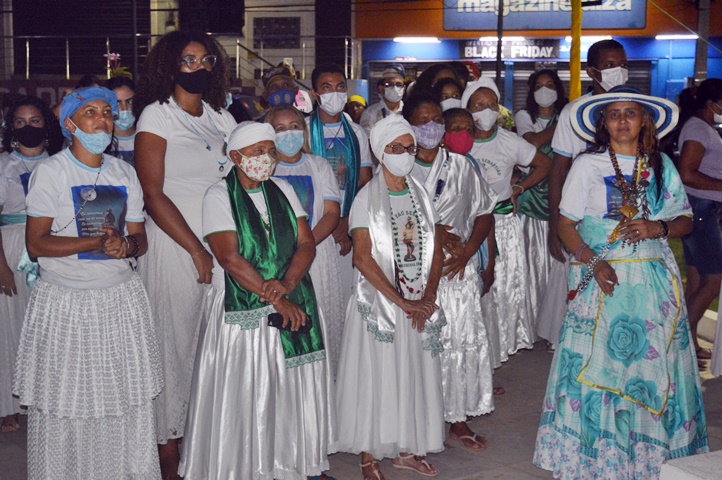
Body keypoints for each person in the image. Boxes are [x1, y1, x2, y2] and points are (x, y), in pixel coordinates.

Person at [534, 86, 708, 478]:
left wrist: (656, 226)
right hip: (603, 279)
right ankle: (597, 460)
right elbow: (566, 223)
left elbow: (684, 220)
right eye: (614, 114)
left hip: (653, 286)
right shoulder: (587, 165)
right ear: (604, 123)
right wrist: (591, 263)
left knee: (654, 366)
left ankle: (651, 459)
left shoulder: (662, 166)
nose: (623, 120)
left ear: (645, 120)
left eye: (631, 113)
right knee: (597, 365)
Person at [14, 86, 162, 478]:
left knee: (120, 396)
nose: (102, 120)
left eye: (108, 114)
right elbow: (37, 243)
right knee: (69, 399)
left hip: (118, 300)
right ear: (69, 124)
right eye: (90, 113)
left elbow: (140, 239)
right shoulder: (51, 172)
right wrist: (96, 241)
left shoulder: (124, 172)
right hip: (67, 303)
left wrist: (125, 245)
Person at [178, 122, 336, 479]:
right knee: (249, 392)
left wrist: (287, 284)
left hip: (290, 294)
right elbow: (229, 258)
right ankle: (243, 467)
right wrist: (277, 301)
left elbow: (306, 243)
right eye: (257, 152)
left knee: (290, 389)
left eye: (271, 151)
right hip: (242, 306)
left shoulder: (282, 189)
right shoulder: (218, 195)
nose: (267, 159)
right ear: (236, 157)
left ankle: (294, 463)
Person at [133, 30, 238, 478]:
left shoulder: (223, 118)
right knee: (173, 345)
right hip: (179, 246)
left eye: (206, 60)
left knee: (213, 347)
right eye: (188, 60)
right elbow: (152, 194)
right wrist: (196, 250)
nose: (198, 67)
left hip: (224, 247)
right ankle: (168, 446)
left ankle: (205, 436)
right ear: (169, 65)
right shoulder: (157, 117)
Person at [335, 114, 445, 480]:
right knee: (377, 376)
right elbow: (363, 258)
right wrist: (403, 303)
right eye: (395, 148)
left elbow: (435, 248)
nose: (404, 155)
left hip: (416, 301)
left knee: (411, 374)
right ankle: (370, 454)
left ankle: (406, 448)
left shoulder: (420, 193)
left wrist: (427, 297)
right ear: (381, 152)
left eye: (409, 148)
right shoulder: (366, 198)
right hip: (381, 304)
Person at [406, 94, 498, 453]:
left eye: (435, 120)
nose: (429, 126)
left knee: (459, 343)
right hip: (415, 272)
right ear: (410, 127)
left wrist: (471, 252)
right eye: (421, 120)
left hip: (457, 271)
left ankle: (459, 417)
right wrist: (433, 230)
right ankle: (416, 417)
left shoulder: (461, 166)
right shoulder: (400, 167)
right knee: (421, 346)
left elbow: (484, 213)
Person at [464, 78, 551, 364]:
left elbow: (544, 164)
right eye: (478, 105)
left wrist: (519, 188)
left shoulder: (509, 141)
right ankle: (474, 356)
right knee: (473, 290)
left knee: (500, 290)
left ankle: (495, 355)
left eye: (491, 105)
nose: (485, 111)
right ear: (467, 108)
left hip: (502, 224)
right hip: (469, 228)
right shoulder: (458, 142)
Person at [266, 105, 345, 377]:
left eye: (294, 126)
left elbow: (331, 214)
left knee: (318, 320)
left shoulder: (319, 165)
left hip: (317, 256)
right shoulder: (265, 168)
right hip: (275, 258)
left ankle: (322, 383)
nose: (289, 133)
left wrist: (304, 246)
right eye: (280, 129)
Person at [0, 96, 58, 433]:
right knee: (9, 328)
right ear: (11, 128)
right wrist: (2, 266)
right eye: (20, 122)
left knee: (47, 329)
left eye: (35, 120)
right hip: (10, 246)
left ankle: (44, 401)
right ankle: (8, 406)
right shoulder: (3, 164)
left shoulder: (61, 162)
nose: (28, 127)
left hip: (51, 246)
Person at [548, 39, 629, 264]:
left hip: (628, 218)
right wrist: (555, 224)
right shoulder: (573, 113)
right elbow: (558, 171)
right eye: (610, 65)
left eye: (623, 65)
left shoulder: (637, 111)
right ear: (591, 72)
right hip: (581, 218)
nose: (619, 71)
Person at [306, 63, 373, 308]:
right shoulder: (301, 129)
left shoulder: (356, 133)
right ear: (315, 94)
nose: (335, 93)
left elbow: (365, 182)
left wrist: (346, 221)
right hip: (311, 222)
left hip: (346, 226)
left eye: (340, 87)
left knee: (343, 295)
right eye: (326, 88)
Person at [513, 69, 569, 351]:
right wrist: (561, 125)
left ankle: (556, 327)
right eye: (539, 86)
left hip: (562, 199)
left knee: (556, 269)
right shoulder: (525, 117)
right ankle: (532, 326)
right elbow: (532, 142)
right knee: (532, 267)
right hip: (532, 200)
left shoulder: (569, 116)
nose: (544, 90)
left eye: (550, 85)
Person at [676, 78, 722, 361]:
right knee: (713, 281)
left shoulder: (704, 128)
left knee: (695, 281)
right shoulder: (697, 128)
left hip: (700, 210)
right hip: (701, 211)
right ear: (710, 104)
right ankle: (679, 341)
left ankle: (687, 343)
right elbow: (687, 173)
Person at [359, 64, 406, 135]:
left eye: (398, 84)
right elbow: (367, 141)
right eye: (389, 84)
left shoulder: (411, 111)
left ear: (404, 89)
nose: (394, 88)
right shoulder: (371, 113)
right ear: (381, 88)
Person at [107, 76, 138, 165]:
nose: (124, 108)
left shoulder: (146, 137)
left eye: (130, 101)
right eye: (117, 103)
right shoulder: (102, 142)